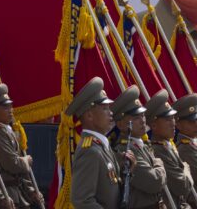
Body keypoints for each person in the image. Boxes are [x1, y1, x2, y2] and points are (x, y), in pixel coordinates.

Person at [65, 76, 125, 208]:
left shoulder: (101, 146)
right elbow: (82, 200)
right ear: (89, 115)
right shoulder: (90, 151)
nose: (111, 113)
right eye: (105, 108)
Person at [0, 84, 41, 208]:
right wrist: (26, 161)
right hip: (7, 192)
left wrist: (31, 190)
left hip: (19, 191)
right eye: (5, 107)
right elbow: (12, 164)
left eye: (10, 106)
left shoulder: (10, 131)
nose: (10, 110)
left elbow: (22, 171)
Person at [112, 85, 167, 209]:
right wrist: (159, 163)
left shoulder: (141, 144)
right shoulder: (125, 150)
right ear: (120, 124)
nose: (142, 120)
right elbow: (154, 182)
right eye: (136, 117)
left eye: (142, 115)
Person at [145, 89, 194, 208]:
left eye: (173, 118)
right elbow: (183, 186)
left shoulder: (168, 147)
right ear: (154, 125)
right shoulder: (158, 151)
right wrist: (186, 169)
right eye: (167, 119)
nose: (173, 123)